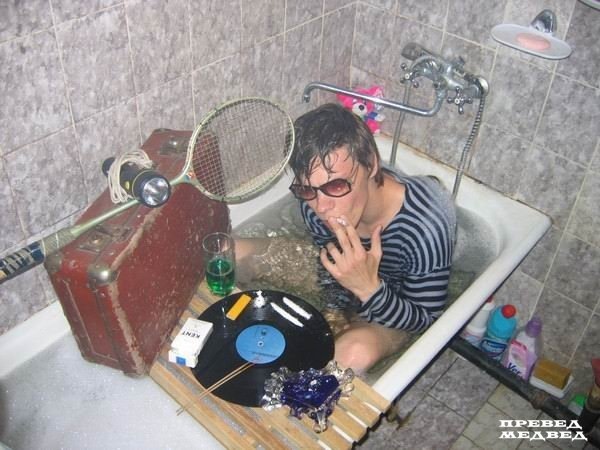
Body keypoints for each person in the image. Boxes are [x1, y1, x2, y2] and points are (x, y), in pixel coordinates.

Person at [286, 103, 456, 373]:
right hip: (354, 282)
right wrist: (334, 310)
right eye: (307, 190)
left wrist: (369, 290)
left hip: (398, 302)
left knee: (353, 352)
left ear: (372, 165)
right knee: (234, 253)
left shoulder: (425, 226)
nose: (322, 207)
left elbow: (427, 320)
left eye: (336, 185)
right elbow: (328, 262)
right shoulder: (314, 203)